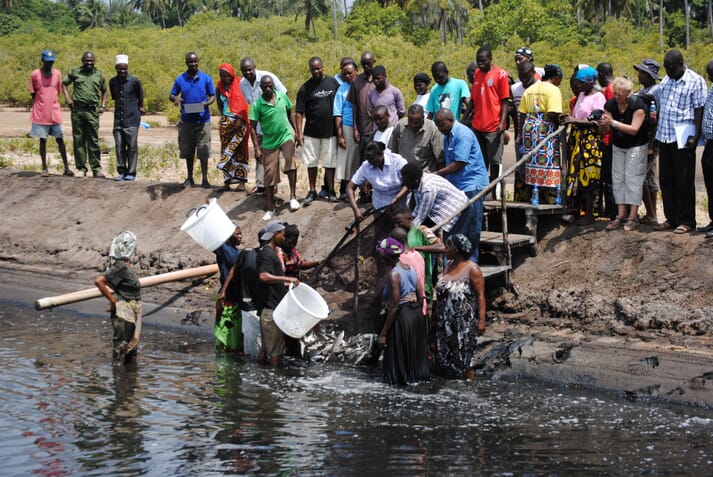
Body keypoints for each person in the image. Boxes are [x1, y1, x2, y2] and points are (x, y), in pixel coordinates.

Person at [654, 50, 707, 234]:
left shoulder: (695, 81)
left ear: (681, 64)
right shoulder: (666, 81)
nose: (668, 71)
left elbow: (699, 110)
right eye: (666, 67)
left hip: (683, 137)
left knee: (684, 181)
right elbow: (662, 109)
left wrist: (696, 137)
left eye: (671, 67)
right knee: (666, 181)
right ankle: (671, 218)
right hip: (665, 135)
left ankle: (687, 220)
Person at [433, 108, 489, 262]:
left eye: (441, 125)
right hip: (458, 186)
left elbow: (459, 163)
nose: (440, 129)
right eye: (437, 126)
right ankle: (455, 262)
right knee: (455, 225)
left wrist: (438, 174)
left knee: (472, 225)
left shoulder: (462, 134)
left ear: (450, 121)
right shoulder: (447, 136)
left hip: (472, 185)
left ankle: (472, 262)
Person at [375, 237, 429, 386]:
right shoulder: (410, 269)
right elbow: (420, 295)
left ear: (386, 256)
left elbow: (394, 305)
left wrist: (384, 334)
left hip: (402, 316)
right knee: (412, 356)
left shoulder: (394, 274)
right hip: (415, 314)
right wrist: (416, 313)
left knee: (397, 359)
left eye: (381, 254)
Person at [598, 77, 649, 231]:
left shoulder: (638, 105)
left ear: (628, 93)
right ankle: (621, 214)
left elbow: (634, 129)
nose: (617, 96)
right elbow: (606, 130)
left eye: (620, 93)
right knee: (618, 178)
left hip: (636, 144)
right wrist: (602, 125)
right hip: (618, 144)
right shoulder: (610, 104)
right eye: (615, 93)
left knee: (633, 178)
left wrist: (613, 123)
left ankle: (633, 216)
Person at [434, 234, 486, 380]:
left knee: (465, 357)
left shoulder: (472, 269)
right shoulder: (448, 266)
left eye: (448, 246)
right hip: (445, 320)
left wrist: (481, 320)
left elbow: (480, 295)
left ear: (456, 250)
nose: (445, 249)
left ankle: (469, 386)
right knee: (446, 355)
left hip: (464, 322)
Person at [248, 75, 300, 220]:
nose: (268, 88)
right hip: (269, 142)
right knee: (269, 174)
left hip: (286, 136)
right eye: (265, 86)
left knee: (290, 161)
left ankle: (293, 197)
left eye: (270, 85)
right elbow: (252, 127)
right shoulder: (257, 105)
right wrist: (257, 148)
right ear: (261, 87)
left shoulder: (282, 97)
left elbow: (291, 112)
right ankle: (270, 207)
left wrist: (295, 131)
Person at [562, 66, 606, 225]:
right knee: (575, 176)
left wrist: (575, 121)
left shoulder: (599, 97)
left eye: (580, 83)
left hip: (590, 140)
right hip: (577, 137)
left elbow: (596, 121)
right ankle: (577, 211)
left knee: (588, 175)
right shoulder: (580, 95)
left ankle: (589, 214)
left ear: (589, 82)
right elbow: (577, 115)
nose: (578, 87)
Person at [239, 58, 288, 196]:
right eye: (244, 70)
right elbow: (251, 104)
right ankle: (261, 184)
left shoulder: (268, 77)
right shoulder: (242, 84)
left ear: (255, 67)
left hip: (274, 125)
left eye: (250, 69)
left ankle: (273, 185)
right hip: (259, 126)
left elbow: (283, 94)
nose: (248, 72)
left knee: (274, 156)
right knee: (260, 154)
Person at [465, 47, 510, 195]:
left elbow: (505, 102)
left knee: (494, 160)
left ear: (490, 59)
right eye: (478, 61)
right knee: (480, 160)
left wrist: (502, 123)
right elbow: (473, 99)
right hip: (478, 125)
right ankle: (482, 190)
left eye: (483, 61)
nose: (480, 64)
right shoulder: (477, 74)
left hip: (493, 126)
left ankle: (494, 190)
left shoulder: (501, 75)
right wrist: (463, 119)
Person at [517, 61, 563, 204]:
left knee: (531, 162)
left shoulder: (530, 89)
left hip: (529, 129)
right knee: (549, 162)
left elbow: (522, 114)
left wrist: (521, 135)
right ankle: (551, 198)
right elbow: (552, 113)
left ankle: (533, 195)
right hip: (545, 129)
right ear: (556, 77)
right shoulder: (553, 90)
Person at [296, 56, 340, 205]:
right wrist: (298, 132)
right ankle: (312, 190)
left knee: (330, 162)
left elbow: (340, 104)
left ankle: (331, 191)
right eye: (313, 69)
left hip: (330, 131)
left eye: (318, 68)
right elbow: (299, 112)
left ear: (323, 67)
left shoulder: (333, 83)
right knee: (311, 163)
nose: (316, 71)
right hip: (311, 132)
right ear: (310, 70)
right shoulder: (305, 88)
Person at [94, 231, 142, 365]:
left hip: (131, 308)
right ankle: (120, 378)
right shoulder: (120, 266)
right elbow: (99, 281)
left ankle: (128, 378)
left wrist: (114, 299)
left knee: (131, 346)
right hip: (124, 310)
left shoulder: (125, 265)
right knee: (121, 346)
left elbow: (117, 285)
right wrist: (114, 301)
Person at [169, 52, 216, 188]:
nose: (193, 64)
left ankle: (205, 179)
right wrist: (176, 99)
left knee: (203, 150)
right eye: (190, 62)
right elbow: (172, 95)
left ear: (198, 62)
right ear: (186, 63)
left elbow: (212, 95)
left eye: (195, 61)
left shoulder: (206, 78)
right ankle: (189, 178)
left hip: (203, 120)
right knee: (188, 150)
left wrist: (207, 103)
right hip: (187, 119)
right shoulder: (180, 79)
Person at [256, 221, 299, 367]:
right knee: (276, 353)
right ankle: (275, 386)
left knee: (265, 349)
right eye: (282, 234)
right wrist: (286, 278)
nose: (284, 237)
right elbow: (263, 276)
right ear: (275, 235)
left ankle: (263, 380)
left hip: (269, 309)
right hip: (272, 310)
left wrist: (287, 284)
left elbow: (271, 279)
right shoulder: (268, 254)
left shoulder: (270, 252)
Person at [62, 51, 107, 177]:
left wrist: (103, 105)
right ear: (82, 61)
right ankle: (81, 168)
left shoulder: (99, 75)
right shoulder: (75, 72)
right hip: (78, 110)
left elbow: (104, 91)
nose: (89, 63)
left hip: (92, 111)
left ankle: (96, 168)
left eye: (91, 60)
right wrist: (68, 100)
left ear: (94, 61)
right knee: (79, 139)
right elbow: (64, 84)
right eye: (87, 60)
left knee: (93, 140)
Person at [29, 49, 72, 177]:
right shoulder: (35, 74)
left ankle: (66, 168)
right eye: (47, 62)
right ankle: (45, 168)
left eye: (51, 62)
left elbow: (58, 91)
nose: (49, 64)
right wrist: (41, 104)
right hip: (41, 114)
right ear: (42, 61)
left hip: (55, 113)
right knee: (43, 141)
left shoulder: (57, 74)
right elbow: (33, 93)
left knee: (60, 140)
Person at [346, 141, 408, 222]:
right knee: (380, 233)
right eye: (368, 159)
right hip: (379, 207)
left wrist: (396, 198)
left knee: (399, 233)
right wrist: (356, 210)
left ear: (381, 154)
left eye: (372, 159)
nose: (370, 162)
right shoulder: (366, 166)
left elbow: (408, 184)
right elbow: (349, 188)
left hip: (400, 207)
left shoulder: (397, 161)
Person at [634, 58, 662, 226]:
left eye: (643, 73)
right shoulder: (645, 90)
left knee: (641, 176)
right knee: (650, 176)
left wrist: (651, 143)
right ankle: (652, 215)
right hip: (645, 139)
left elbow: (655, 118)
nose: (639, 75)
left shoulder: (655, 91)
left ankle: (651, 213)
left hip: (650, 139)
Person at [109, 54, 145, 181]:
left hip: (132, 119)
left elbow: (140, 98)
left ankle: (131, 172)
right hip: (118, 119)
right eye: (120, 69)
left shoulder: (135, 82)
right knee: (119, 147)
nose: (122, 71)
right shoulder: (112, 82)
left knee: (132, 147)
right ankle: (121, 171)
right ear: (116, 68)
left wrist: (139, 110)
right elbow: (115, 98)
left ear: (127, 68)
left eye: (124, 69)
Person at [215, 63, 250, 191]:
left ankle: (241, 182)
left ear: (232, 73)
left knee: (240, 150)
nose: (225, 78)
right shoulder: (219, 86)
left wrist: (239, 118)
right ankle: (227, 181)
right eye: (222, 75)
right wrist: (225, 118)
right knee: (226, 151)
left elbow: (244, 102)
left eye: (227, 75)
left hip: (240, 121)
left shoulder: (240, 83)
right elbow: (219, 103)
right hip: (226, 121)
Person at [214, 225, 244, 353]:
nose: (240, 237)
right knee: (224, 327)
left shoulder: (239, 253)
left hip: (236, 295)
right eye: (237, 234)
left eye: (240, 234)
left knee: (234, 329)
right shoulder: (223, 248)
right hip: (226, 295)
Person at [388, 104, 443, 172]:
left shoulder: (432, 129)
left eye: (417, 122)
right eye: (410, 122)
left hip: (425, 174)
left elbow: (440, 159)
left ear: (423, 117)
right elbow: (392, 152)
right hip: (403, 173)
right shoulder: (400, 125)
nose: (413, 125)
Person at [334, 59, 359, 200]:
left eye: (350, 73)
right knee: (346, 160)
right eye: (345, 74)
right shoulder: (342, 89)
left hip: (362, 126)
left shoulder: (362, 86)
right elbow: (337, 113)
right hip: (347, 126)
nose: (348, 76)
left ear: (356, 71)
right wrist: (340, 135)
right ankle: (345, 191)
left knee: (358, 159)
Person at [348, 51, 376, 159]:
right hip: (363, 130)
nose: (366, 66)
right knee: (364, 162)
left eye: (368, 63)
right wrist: (355, 129)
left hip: (377, 130)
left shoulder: (379, 79)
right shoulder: (357, 81)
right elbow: (354, 106)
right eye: (363, 63)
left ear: (374, 62)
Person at [700, 60, 713, 238]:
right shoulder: (712, 88)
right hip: (710, 142)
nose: (709, 76)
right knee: (710, 183)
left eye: (710, 73)